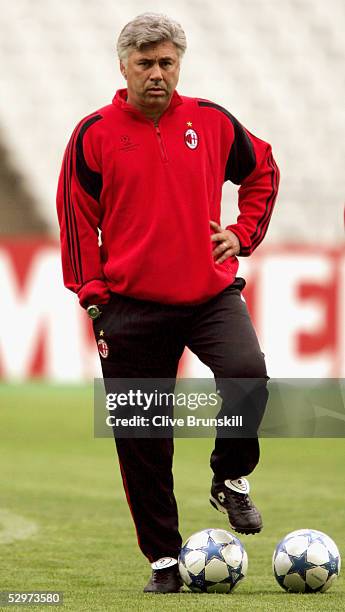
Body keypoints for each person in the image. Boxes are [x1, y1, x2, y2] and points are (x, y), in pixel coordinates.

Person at [56, 12, 279, 593]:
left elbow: (264, 170)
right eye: (145, 63)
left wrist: (242, 232)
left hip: (209, 294)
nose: (158, 74)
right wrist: (95, 298)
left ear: (179, 64)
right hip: (131, 305)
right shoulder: (94, 133)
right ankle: (162, 559)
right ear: (123, 66)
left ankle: (229, 478)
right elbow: (76, 220)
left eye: (167, 63)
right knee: (143, 438)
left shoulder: (210, 121)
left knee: (247, 373)